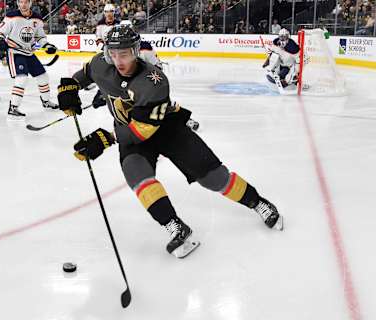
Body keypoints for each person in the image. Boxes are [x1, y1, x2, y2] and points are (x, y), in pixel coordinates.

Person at [57, 25, 284, 259]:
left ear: (135, 51)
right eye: (112, 54)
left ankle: (258, 202)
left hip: (167, 130)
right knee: (138, 178)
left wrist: (104, 139)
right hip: (131, 132)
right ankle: (175, 225)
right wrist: (69, 89)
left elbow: (141, 131)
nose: (117, 60)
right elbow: (81, 76)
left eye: (123, 54)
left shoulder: (153, 81)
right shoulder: (100, 64)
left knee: (214, 179)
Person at [0, 0, 58, 119]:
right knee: (21, 78)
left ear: (30, 3)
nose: (23, 5)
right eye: (21, 2)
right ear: (18, 3)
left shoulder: (37, 19)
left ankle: (46, 102)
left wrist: (46, 46)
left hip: (28, 53)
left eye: (26, 2)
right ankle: (13, 108)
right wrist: (0, 41)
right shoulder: (11, 16)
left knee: (43, 77)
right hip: (15, 52)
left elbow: (40, 37)